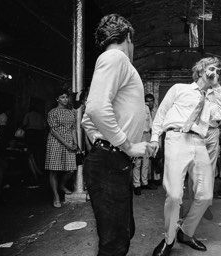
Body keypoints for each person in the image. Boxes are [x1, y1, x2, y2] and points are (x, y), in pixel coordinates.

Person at [81, 14, 152, 256]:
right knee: (114, 243)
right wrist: (126, 146)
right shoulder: (116, 57)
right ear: (128, 36)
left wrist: (103, 142)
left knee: (123, 232)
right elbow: (96, 109)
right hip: (110, 161)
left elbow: (87, 119)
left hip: (110, 159)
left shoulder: (113, 61)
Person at [150, 57, 221, 256]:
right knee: (175, 194)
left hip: (200, 142)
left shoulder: (212, 99)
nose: (215, 73)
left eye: (218, 72)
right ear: (201, 69)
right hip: (176, 138)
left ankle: (186, 232)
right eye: (212, 69)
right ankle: (168, 240)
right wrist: (154, 138)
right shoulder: (179, 88)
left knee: (205, 195)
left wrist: (217, 87)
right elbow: (161, 113)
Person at [45, 89, 77, 208]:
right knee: (54, 170)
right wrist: (66, 144)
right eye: (62, 97)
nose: (65, 99)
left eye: (66, 97)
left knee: (71, 169)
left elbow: (73, 129)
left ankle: (62, 185)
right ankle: (56, 196)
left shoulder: (71, 112)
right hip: (55, 142)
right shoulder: (52, 112)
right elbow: (54, 131)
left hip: (69, 141)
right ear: (57, 99)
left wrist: (75, 142)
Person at [132, 103, 157, 195]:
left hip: (147, 135)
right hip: (138, 135)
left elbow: (150, 122)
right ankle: (136, 184)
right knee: (137, 162)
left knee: (146, 160)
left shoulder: (146, 107)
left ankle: (144, 182)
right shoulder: (133, 106)